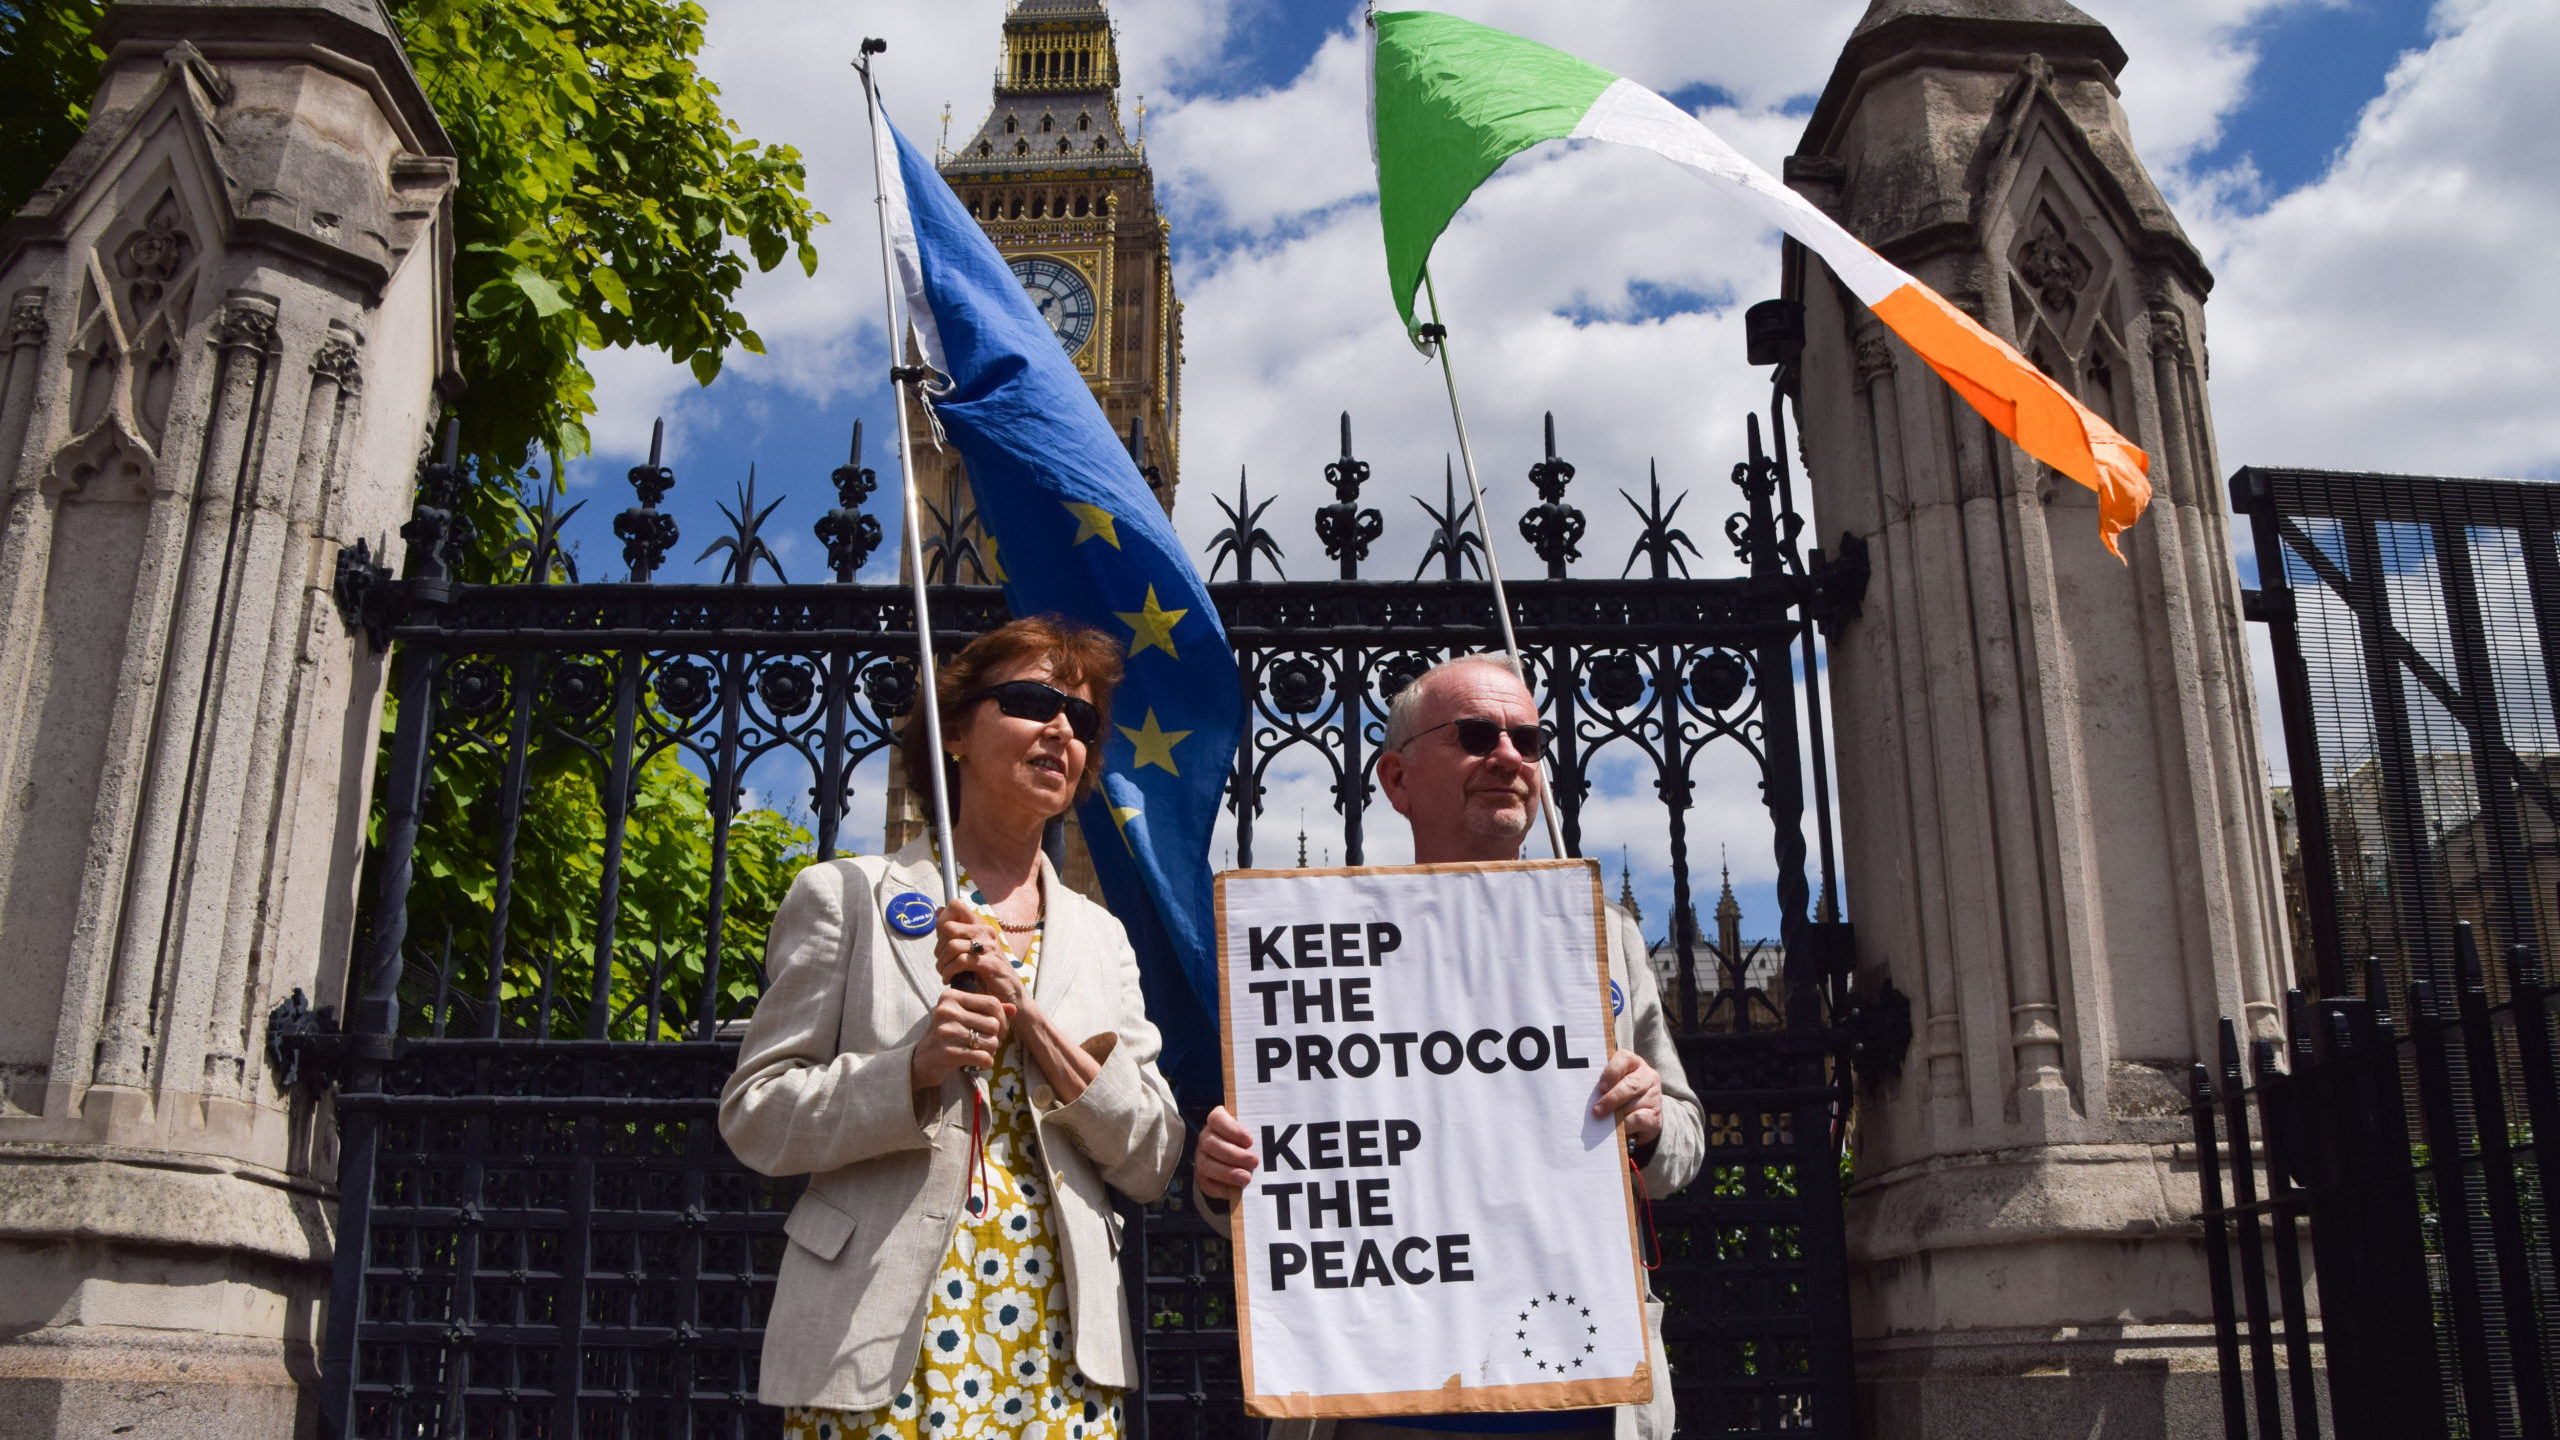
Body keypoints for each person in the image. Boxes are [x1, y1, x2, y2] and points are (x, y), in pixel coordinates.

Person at [1195, 652, 1705, 1440]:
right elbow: (1273, 1188)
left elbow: (1683, 1146)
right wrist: (1219, 1174)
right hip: (1381, 1403)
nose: (1508, 757)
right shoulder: (1316, 948)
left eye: (1528, 741)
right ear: (1397, 780)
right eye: (1475, 734)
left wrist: (1649, 1121)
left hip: (1576, 1396)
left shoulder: (1610, 935)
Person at [721, 616, 1186, 1440]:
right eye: (1032, 700)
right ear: (957, 732)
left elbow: (1151, 1158)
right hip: (878, 1340)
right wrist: (908, 1068)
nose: (1059, 729)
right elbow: (756, 1116)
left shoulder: (1099, 938)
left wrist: (1033, 1022)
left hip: (1053, 1352)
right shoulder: (848, 897)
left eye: (1080, 720)